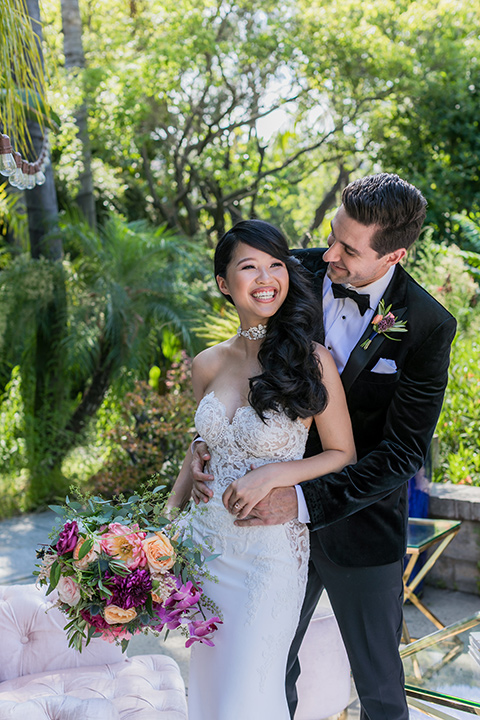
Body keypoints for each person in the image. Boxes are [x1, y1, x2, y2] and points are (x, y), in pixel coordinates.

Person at [191, 174, 457, 720]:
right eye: (331, 235)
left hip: (355, 524)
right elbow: (240, 367)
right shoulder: (295, 270)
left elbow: (403, 451)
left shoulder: (428, 325)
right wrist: (208, 439)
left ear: (394, 255)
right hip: (257, 532)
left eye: (348, 249)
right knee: (268, 668)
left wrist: (303, 500)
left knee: (380, 687)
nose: (327, 253)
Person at [166, 219, 356, 720]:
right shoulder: (206, 364)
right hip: (203, 546)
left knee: (248, 695)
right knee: (208, 694)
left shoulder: (312, 361)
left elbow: (342, 453)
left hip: (269, 556)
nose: (266, 277)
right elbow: (203, 444)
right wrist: (170, 508)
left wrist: (276, 474)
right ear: (225, 283)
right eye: (249, 267)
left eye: (276, 265)